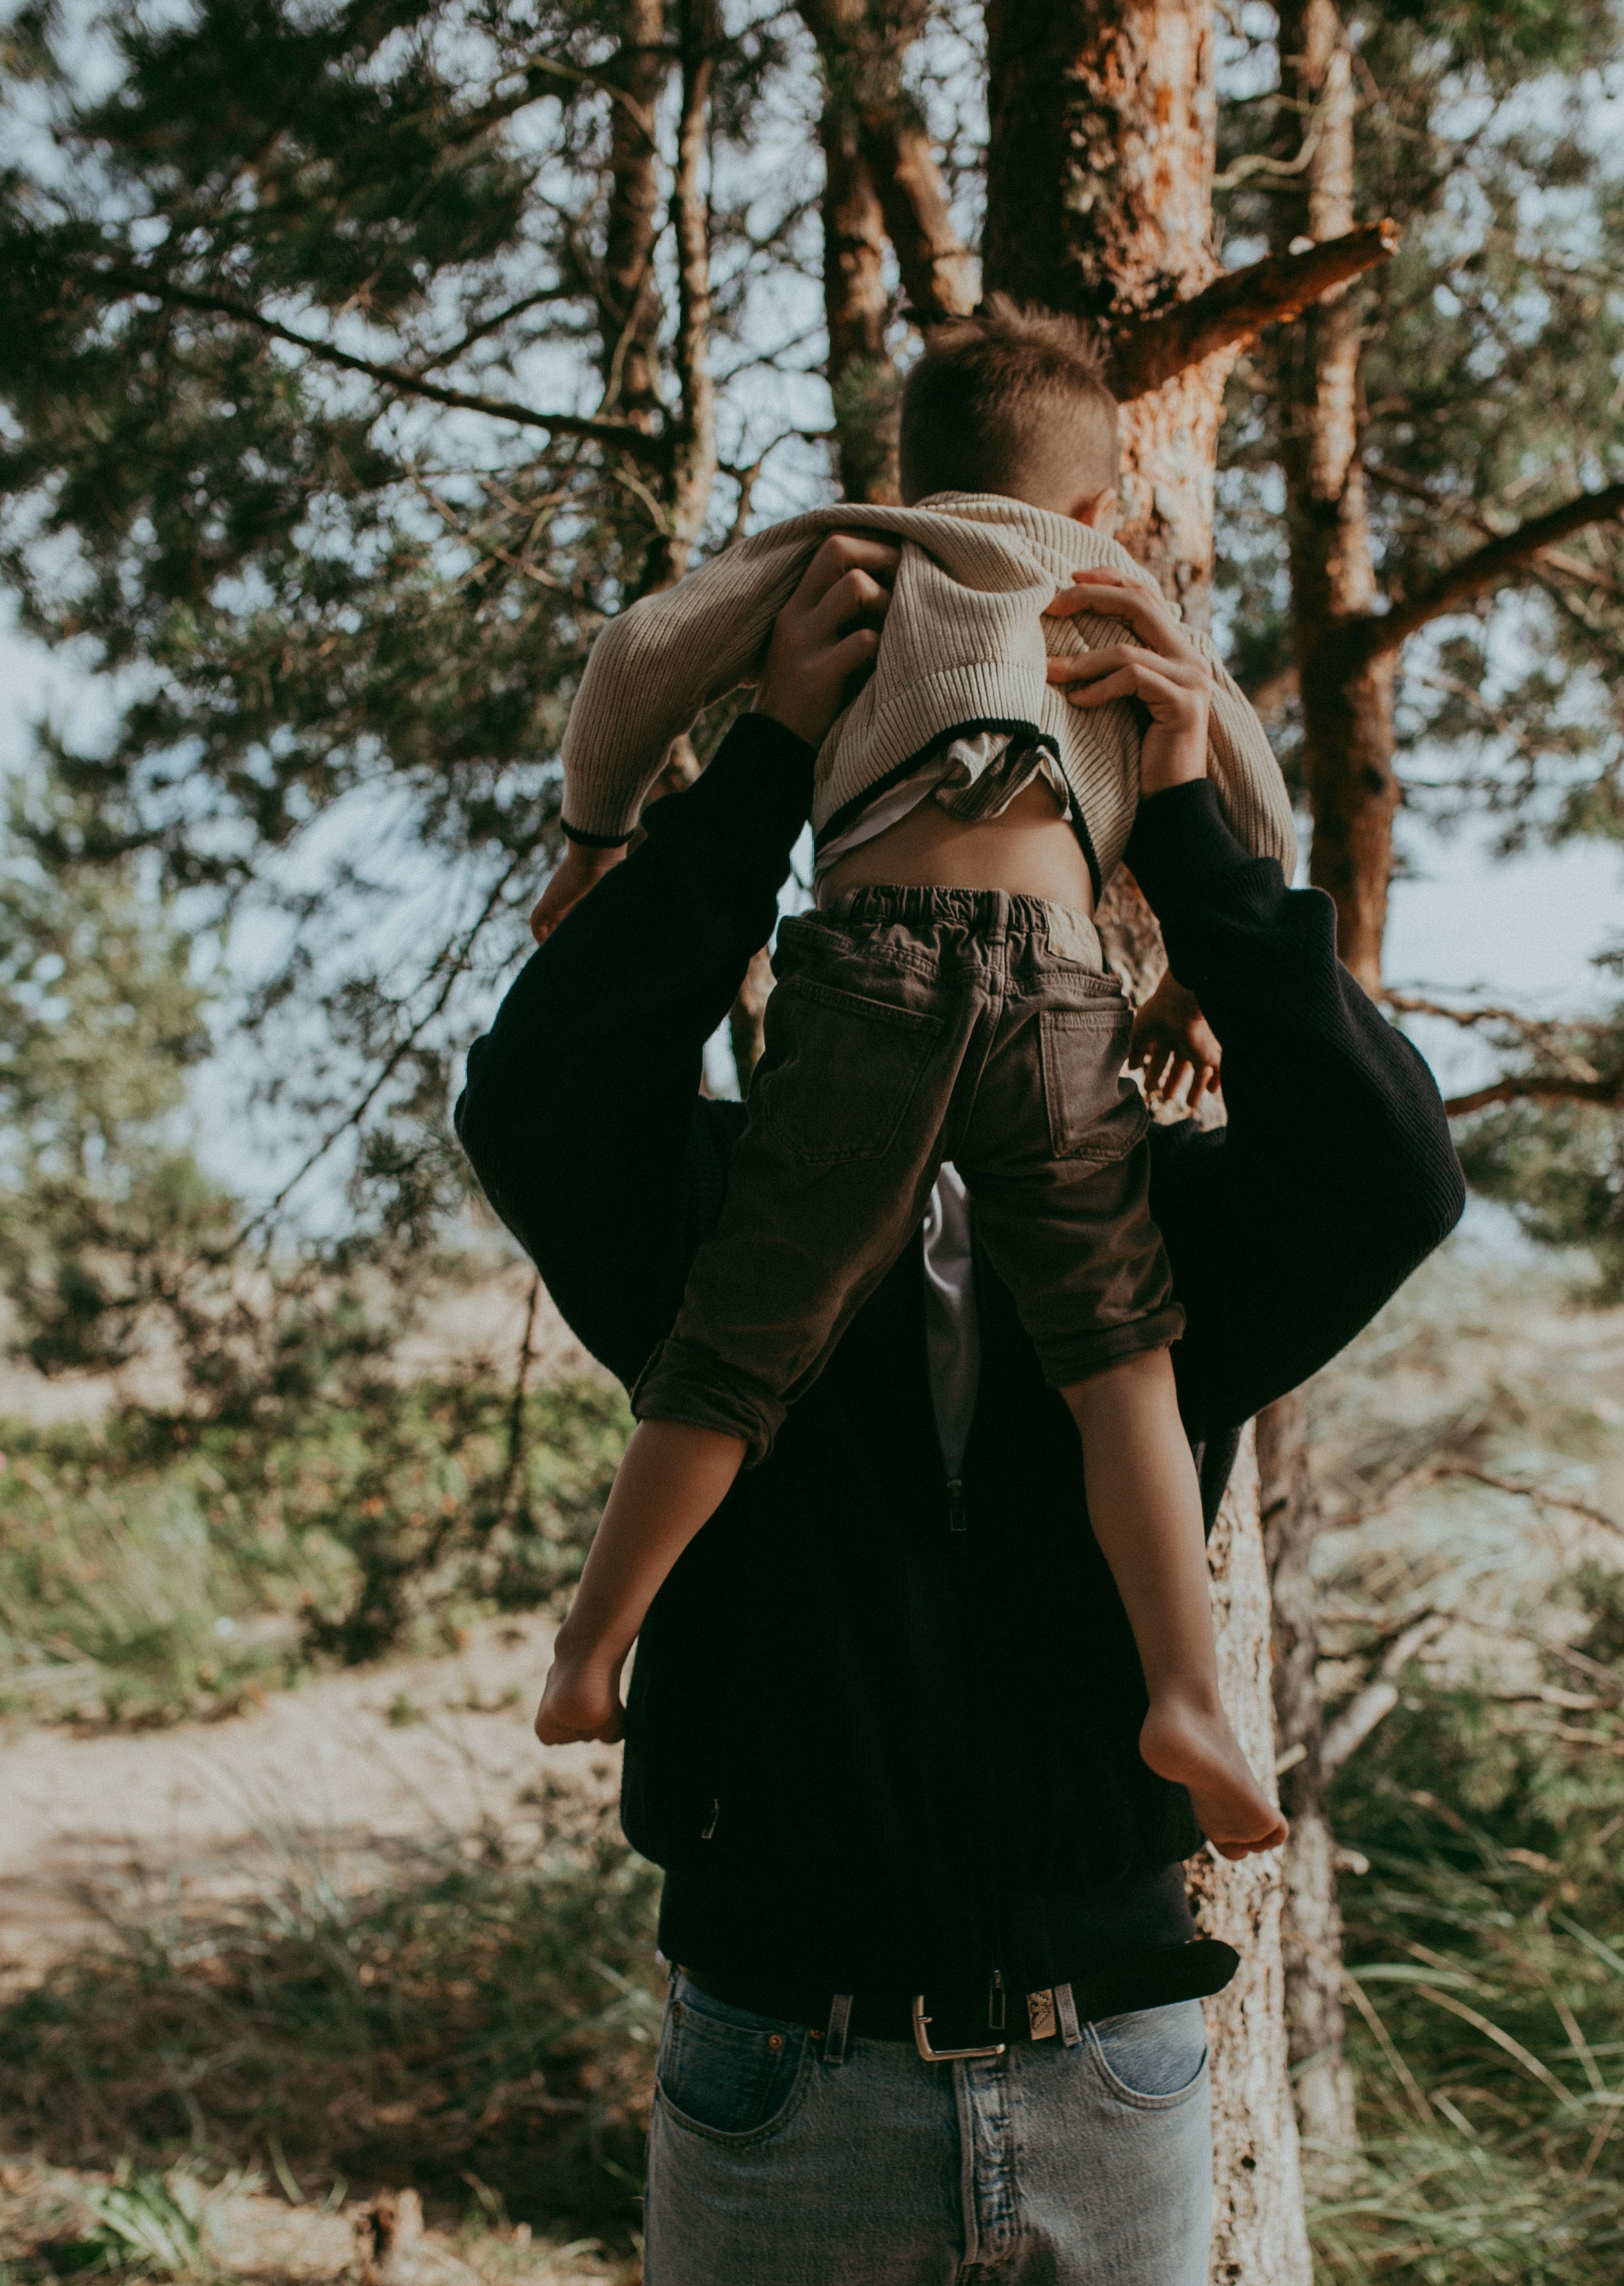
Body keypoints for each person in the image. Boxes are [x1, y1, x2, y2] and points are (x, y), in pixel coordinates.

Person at [455, 542, 1463, 2286]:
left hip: (1112, 2065)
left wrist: (1189, 830)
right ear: (841, 889)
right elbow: (537, 1092)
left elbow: (1394, 1173)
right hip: (784, 2075)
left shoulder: (1166, 1244)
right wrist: (755, 778)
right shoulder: (713, 1211)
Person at [526, 304, 1295, 1860]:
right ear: (1097, 504)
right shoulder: (1108, 588)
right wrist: (1192, 980)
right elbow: (1246, 789)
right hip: (1058, 991)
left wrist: (593, 842)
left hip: (870, 968)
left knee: (742, 1330)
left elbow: (636, 657)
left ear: (910, 467)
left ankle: (591, 1649)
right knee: (1114, 1348)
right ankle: (1183, 1696)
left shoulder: (860, 549)